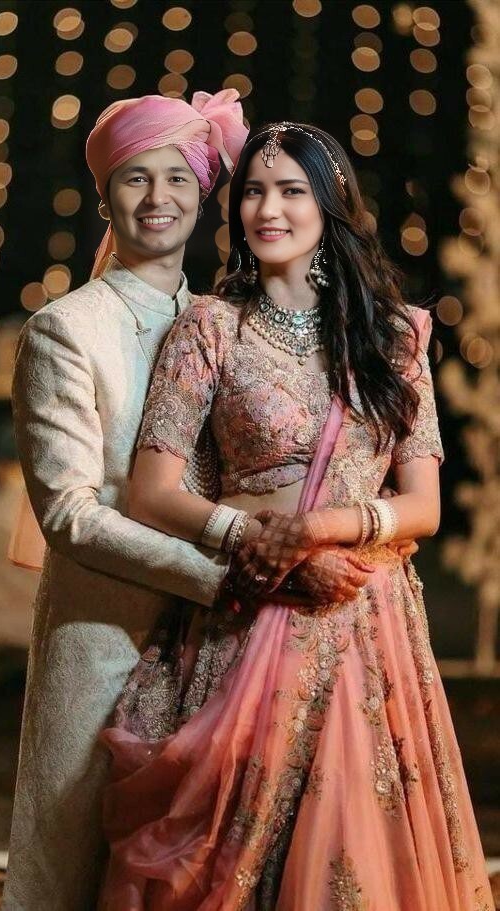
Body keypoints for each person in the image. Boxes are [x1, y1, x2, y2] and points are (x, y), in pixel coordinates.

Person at [98, 123, 494, 910]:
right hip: (248, 610)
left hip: (364, 616)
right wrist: (261, 543)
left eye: (290, 191)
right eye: (252, 191)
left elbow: (423, 505)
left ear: (331, 202)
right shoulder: (210, 326)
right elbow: (151, 492)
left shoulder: (394, 335)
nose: (267, 209)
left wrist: (317, 530)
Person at [2, 90, 248, 911]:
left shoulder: (222, 324)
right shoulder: (65, 330)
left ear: (203, 195)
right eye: (136, 178)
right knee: (75, 865)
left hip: (215, 646)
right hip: (105, 634)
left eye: (177, 178)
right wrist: (219, 577)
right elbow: (70, 515)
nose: (157, 198)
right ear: (106, 196)